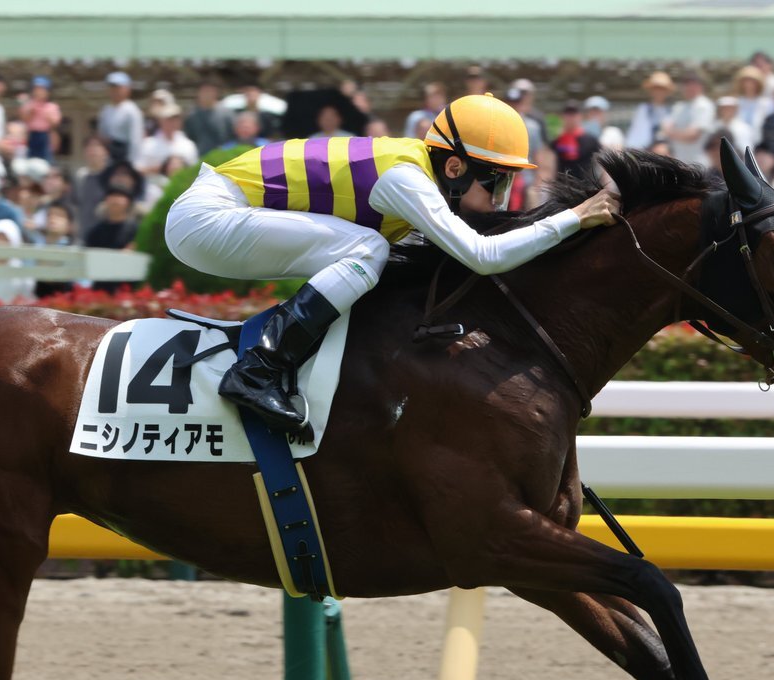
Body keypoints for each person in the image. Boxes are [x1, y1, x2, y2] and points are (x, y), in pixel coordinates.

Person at [165, 93, 619, 435]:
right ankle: (257, 370)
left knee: (371, 257)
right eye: (496, 183)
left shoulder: (415, 172)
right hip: (207, 217)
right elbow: (484, 257)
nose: (500, 200)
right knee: (368, 250)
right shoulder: (405, 179)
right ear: (455, 168)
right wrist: (575, 217)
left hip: (219, 215)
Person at [662, 73, 716, 167]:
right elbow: (664, 129)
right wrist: (675, 133)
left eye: (693, 84)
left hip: (698, 164)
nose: (690, 88)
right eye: (687, 84)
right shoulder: (679, 106)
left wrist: (671, 133)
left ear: (700, 87)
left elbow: (692, 135)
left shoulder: (704, 105)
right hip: (679, 162)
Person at [98, 71, 146, 168]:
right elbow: (102, 135)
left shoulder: (132, 110)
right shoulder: (106, 110)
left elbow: (136, 139)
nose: (114, 91)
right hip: (110, 155)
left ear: (127, 89)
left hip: (125, 155)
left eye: (118, 87)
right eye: (112, 87)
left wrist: (132, 164)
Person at [137, 104, 198, 175]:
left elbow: (195, 170)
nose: (173, 122)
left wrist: (181, 167)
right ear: (161, 121)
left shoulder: (188, 145)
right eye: (169, 119)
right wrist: (163, 168)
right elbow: (138, 169)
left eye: (176, 119)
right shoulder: (148, 144)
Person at [184, 79, 234, 157]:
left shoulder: (227, 114)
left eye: (210, 91)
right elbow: (188, 138)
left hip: (222, 157)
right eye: (204, 91)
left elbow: (233, 137)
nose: (207, 94)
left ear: (216, 93)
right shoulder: (191, 115)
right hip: (199, 157)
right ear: (198, 93)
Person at [625, 71, 674, 150]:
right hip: (644, 151)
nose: (658, 92)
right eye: (656, 88)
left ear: (666, 92)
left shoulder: (671, 112)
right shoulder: (643, 109)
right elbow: (636, 136)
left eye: (662, 89)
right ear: (651, 91)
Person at [74, 136, 109, 242]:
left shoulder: (112, 176)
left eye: (97, 146)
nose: (92, 150)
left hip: (105, 234)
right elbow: (76, 204)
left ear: (106, 152)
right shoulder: (80, 176)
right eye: (88, 146)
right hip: (83, 235)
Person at [552, 100, 600, 177]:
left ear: (580, 116)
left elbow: (600, 162)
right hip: (561, 181)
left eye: (574, 114)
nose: (571, 118)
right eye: (568, 114)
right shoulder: (556, 140)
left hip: (585, 182)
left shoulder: (590, 140)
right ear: (562, 117)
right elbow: (550, 164)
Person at [19, 77, 62, 163]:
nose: (39, 92)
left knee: (46, 159)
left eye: (42, 89)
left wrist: (47, 115)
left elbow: (55, 123)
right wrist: (31, 111)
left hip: (45, 135)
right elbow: (24, 118)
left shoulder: (51, 106)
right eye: (36, 89)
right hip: (32, 135)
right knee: (30, 159)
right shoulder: (29, 104)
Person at [732, 65, 772, 135]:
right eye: (746, 81)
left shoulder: (765, 104)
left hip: (759, 139)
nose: (748, 84)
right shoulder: (735, 103)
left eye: (752, 81)